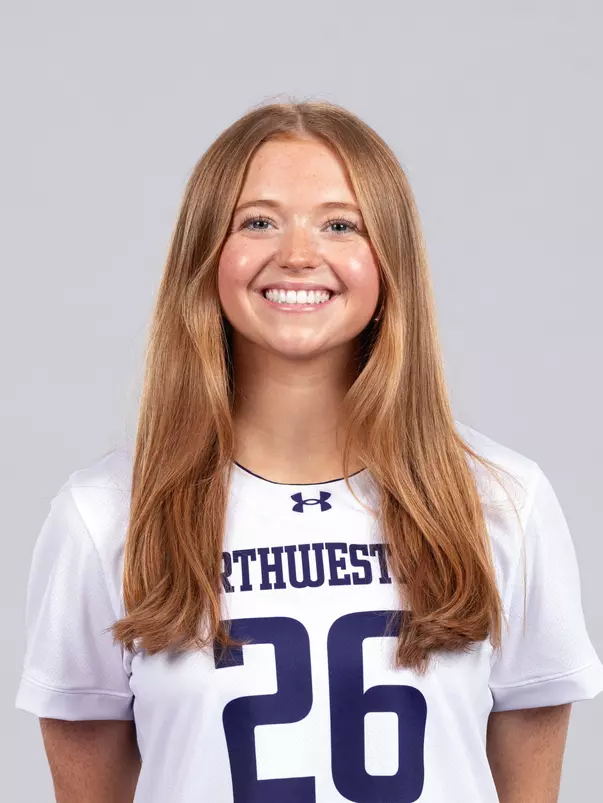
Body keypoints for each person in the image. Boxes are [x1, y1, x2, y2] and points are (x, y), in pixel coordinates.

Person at [15, 99, 603, 803]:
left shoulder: (501, 500)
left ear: (390, 262)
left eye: (339, 224)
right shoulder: (105, 514)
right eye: (257, 220)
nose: (297, 252)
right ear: (206, 255)